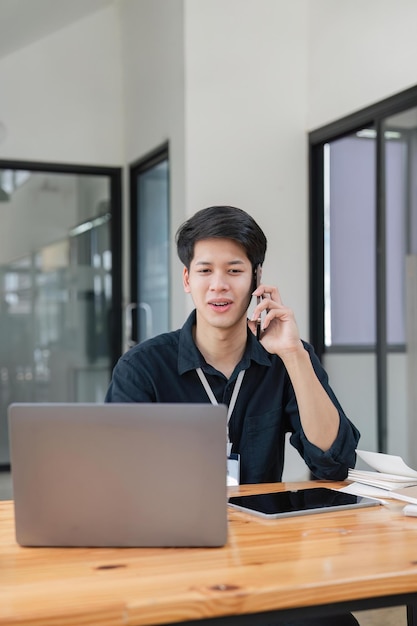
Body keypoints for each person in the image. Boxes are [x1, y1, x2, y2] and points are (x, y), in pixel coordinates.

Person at [105, 205, 361, 626]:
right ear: (187, 280)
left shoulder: (286, 357)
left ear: (257, 279)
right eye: (205, 271)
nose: (219, 285)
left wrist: (294, 355)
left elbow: (332, 461)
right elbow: (116, 482)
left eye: (234, 270)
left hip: (266, 552)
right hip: (173, 552)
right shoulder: (144, 367)